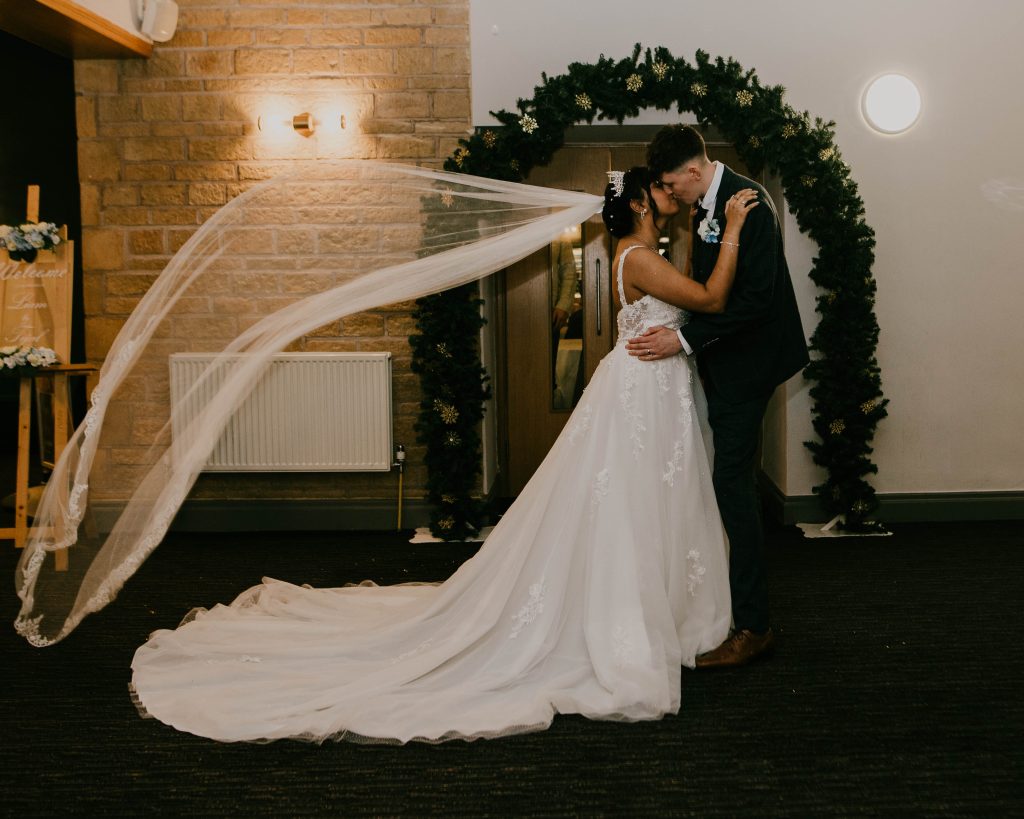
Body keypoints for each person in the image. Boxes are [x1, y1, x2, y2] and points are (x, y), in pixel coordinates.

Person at [126, 167, 759, 744]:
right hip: (642, 394)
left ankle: (657, 611)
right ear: (642, 203)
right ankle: (623, 620)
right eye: (663, 190)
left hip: (651, 390)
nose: (672, 196)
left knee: (645, 502)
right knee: (630, 503)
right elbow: (710, 301)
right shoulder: (639, 258)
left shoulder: (639, 253)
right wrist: (732, 228)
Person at [627, 125, 810, 668]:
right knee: (725, 482)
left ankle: (754, 626)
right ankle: (724, 602)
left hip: (748, 366)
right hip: (724, 362)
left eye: (670, 184)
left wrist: (682, 340)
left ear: (692, 171)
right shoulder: (706, 205)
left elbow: (754, 302)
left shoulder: (748, 204)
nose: (669, 194)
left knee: (732, 485)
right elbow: (709, 291)